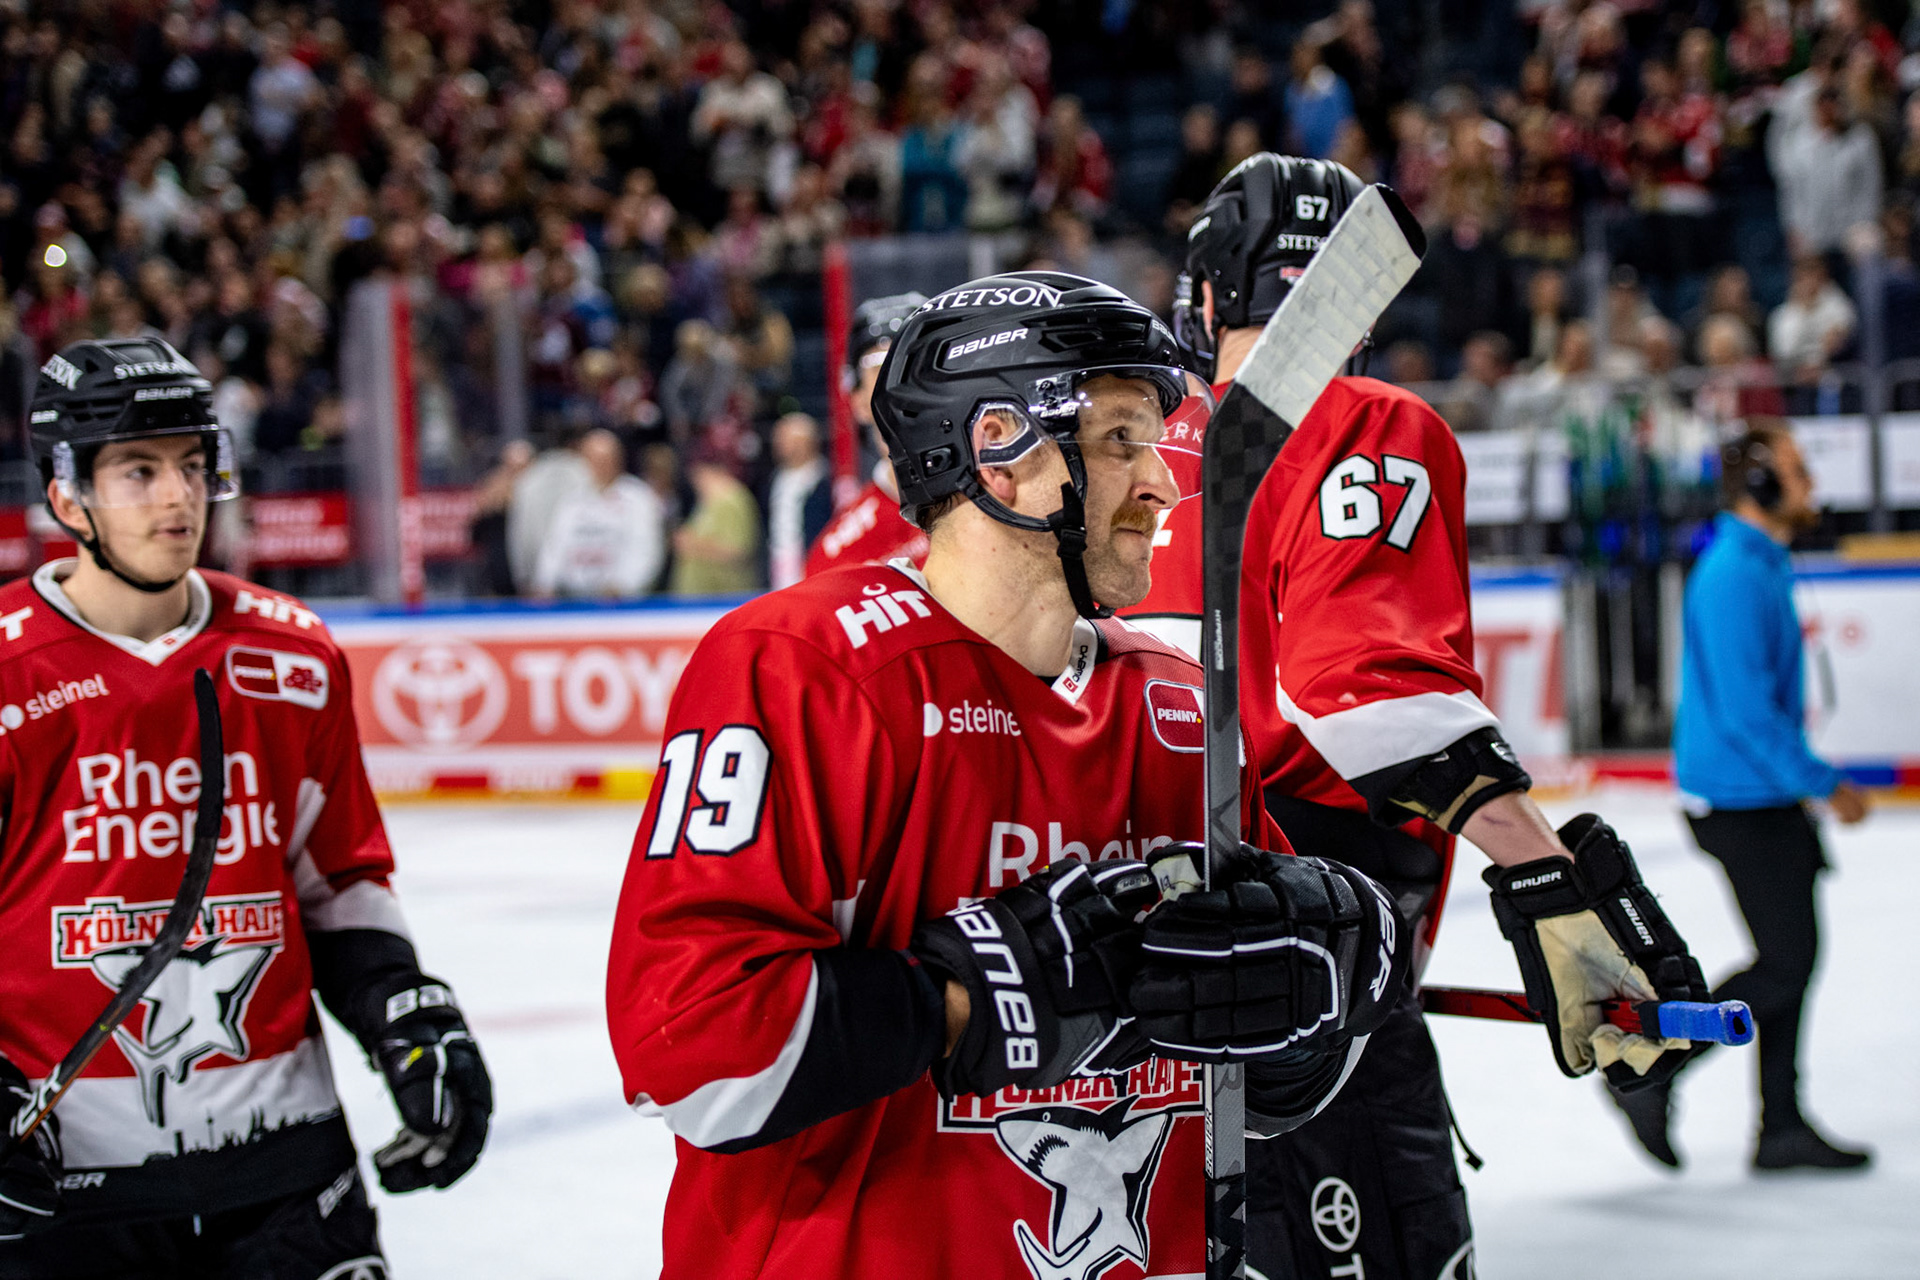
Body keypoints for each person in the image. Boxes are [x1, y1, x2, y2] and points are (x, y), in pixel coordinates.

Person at [605, 273, 1413, 1279]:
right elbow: (691, 1054)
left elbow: (1258, 1077)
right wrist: (970, 994)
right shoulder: (803, 667)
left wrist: (1308, 1000)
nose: (1162, 482)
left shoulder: (1175, 706)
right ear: (1001, 454)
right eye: (1123, 438)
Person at [1132, 154, 1710, 1280]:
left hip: (1132, 1004)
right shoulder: (1362, 421)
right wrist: (1544, 877)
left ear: (1205, 300)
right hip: (1312, 970)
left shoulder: (1127, 456)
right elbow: (1368, 687)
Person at [0, 339, 491, 1277]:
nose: (179, 498)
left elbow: (338, 874)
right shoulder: (8, 672)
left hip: (287, 1166)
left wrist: (409, 1016)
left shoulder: (293, 657)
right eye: (140, 472)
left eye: (192, 465)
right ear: (69, 498)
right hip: (63, 1186)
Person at [1628, 423, 1872, 1172]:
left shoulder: (1758, 563)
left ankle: (1781, 1124)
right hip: (1742, 798)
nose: (1812, 488)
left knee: (1789, 958)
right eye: (1798, 472)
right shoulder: (1736, 571)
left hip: (1756, 793)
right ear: (1760, 485)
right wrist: (1823, 783)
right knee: (1786, 962)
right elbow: (1744, 712)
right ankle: (1654, 1062)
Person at [804, 292, 931, 576]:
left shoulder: (1009, 491)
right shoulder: (837, 561)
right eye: (881, 366)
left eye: (916, 361)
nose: (901, 382)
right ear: (857, 400)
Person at [530, 427, 667, 600]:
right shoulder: (572, 500)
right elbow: (555, 545)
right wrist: (544, 583)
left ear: (618, 459)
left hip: (621, 603)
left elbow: (646, 549)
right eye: (594, 459)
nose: (600, 466)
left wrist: (623, 585)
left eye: (606, 459)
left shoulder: (638, 498)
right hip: (573, 600)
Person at [763, 412, 832, 590]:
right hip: (778, 564)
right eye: (780, 440)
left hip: (811, 563)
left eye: (789, 441)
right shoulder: (773, 479)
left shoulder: (825, 481)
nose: (782, 446)